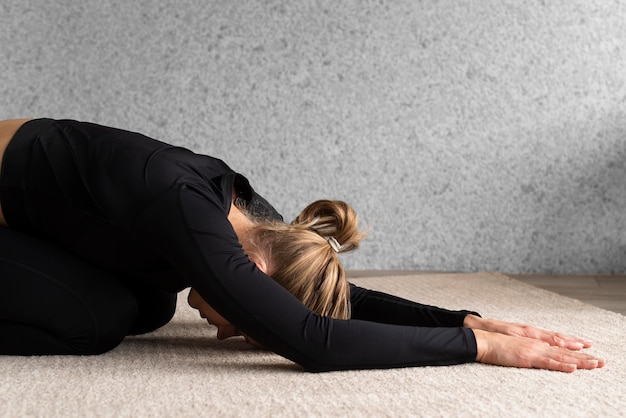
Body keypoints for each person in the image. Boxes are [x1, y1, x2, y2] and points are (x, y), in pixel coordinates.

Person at [0, 118, 605, 373]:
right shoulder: (188, 211)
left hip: (27, 217)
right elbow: (313, 340)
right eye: (244, 322)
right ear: (252, 268)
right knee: (95, 320)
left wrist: (465, 315)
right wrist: (479, 347)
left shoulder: (255, 226)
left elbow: (329, 300)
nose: (223, 330)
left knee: (152, 303)